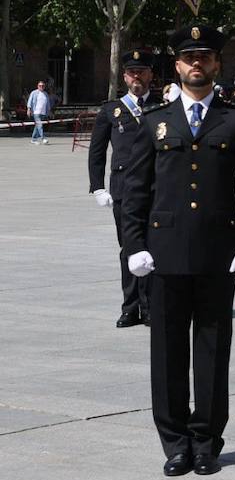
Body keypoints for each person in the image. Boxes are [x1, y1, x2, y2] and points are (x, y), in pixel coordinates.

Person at [121, 22, 235, 477]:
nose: (197, 65)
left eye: (204, 57)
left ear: (216, 65)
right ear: (178, 65)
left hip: (218, 253)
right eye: (189, 58)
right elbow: (135, 192)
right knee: (166, 353)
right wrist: (134, 246)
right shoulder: (154, 123)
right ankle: (175, 442)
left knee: (211, 349)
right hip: (163, 255)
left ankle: (206, 440)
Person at [89, 49, 164, 327]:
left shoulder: (163, 107)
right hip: (122, 189)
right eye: (132, 73)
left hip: (157, 188)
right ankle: (130, 307)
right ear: (124, 77)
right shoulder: (111, 110)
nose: (137, 78)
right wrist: (97, 187)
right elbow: (96, 152)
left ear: (150, 76)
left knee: (153, 247)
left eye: (142, 72)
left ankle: (152, 307)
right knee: (128, 248)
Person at [26, 79, 51, 144]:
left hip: (43, 113)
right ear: (37, 86)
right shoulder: (34, 92)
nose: (41, 87)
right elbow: (30, 101)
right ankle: (43, 138)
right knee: (40, 125)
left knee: (37, 126)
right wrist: (28, 109)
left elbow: (48, 103)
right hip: (36, 112)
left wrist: (49, 111)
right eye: (40, 86)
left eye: (43, 86)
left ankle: (33, 139)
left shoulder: (45, 94)